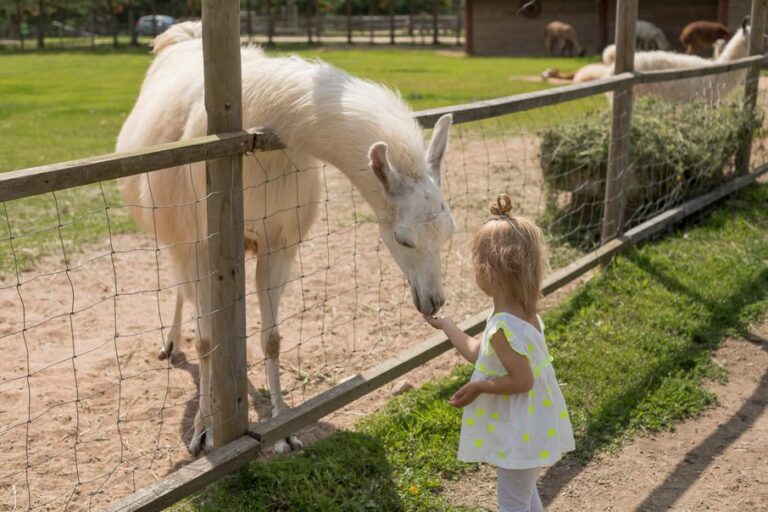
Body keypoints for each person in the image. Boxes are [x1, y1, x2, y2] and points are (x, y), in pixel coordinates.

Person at [424, 194, 574, 512]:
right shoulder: (520, 313)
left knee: (512, 500)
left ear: (489, 271)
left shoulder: (504, 325)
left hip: (522, 427)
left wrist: (480, 386)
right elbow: (478, 352)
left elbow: (522, 380)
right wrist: (447, 326)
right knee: (524, 493)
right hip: (531, 422)